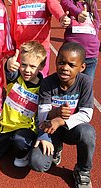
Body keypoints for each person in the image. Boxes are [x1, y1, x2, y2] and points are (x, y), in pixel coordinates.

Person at [29, 42, 95, 188]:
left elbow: (86, 113)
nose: (65, 68)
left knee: (88, 132)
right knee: (37, 163)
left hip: (72, 129)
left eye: (71, 65)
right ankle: (56, 147)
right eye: (61, 63)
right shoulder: (47, 82)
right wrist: (56, 112)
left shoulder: (85, 82)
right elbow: (42, 115)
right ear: (56, 61)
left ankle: (83, 170)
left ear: (82, 67)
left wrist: (61, 120)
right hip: (50, 128)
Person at [0, 41, 47, 167]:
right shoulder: (16, 78)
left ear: (42, 66)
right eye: (23, 65)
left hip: (26, 129)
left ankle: (23, 153)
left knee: (20, 141)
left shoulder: (44, 87)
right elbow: (9, 69)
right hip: (6, 127)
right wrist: (9, 62)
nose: (27, 70)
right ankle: (9, 143)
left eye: (33, 66)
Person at [11, 0, 71, 77]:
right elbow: (13, 24)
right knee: (20, 85)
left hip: (40, 50)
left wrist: (61, 17)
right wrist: (12, 48)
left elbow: (54, 6)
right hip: (21, 50)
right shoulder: (17, 0)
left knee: (40, 83)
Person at [60, 0, 100, 81]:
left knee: (86, 88)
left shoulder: (92, 4)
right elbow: (68, 6)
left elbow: (97, 21)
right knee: (69, 86)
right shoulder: (67, 1)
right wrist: (78, 14)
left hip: (91, 55)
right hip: (72, 56)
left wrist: (95, 36)